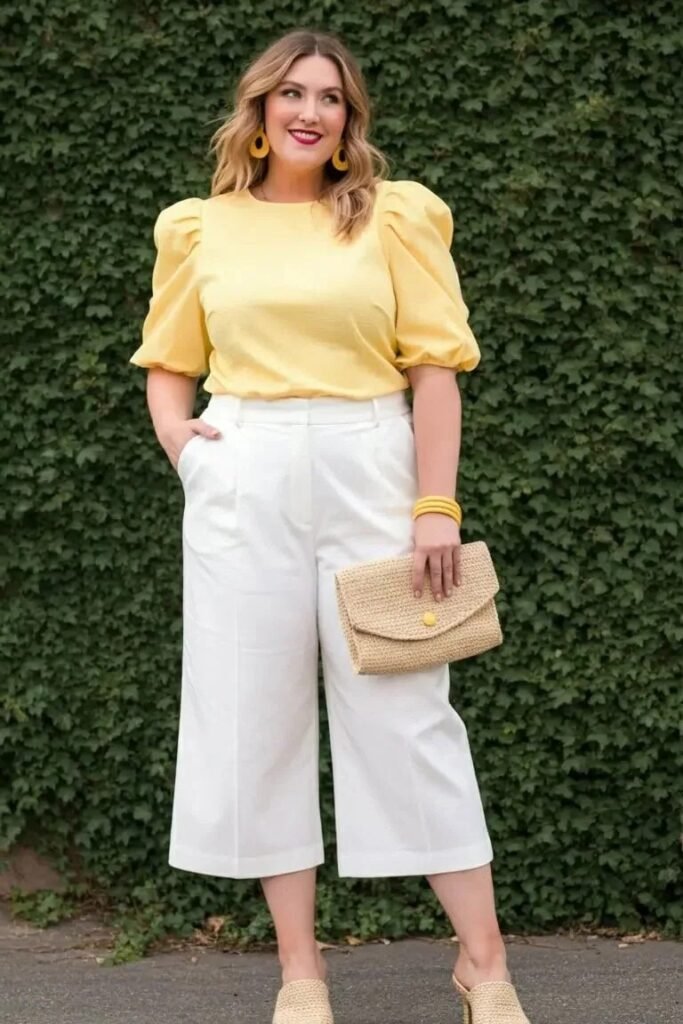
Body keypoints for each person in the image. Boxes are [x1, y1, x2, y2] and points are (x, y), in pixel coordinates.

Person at [129, 27, 531, 1024]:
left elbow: (433, 370)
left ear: (350, 121)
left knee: (409, 715)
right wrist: (188, 446)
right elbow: (168, 360)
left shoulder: (393, 219)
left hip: (370, 465)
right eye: (293, 94)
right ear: (259, 111)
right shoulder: (201, 229)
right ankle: (300, 972)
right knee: (256, 718)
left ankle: (484, 966)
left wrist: (434, 506)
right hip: (245, 471)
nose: (311, 111)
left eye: (332, 98)